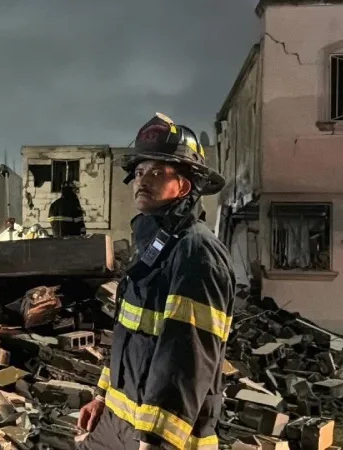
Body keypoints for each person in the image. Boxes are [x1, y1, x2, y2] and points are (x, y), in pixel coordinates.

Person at [77, 113, 235, 450]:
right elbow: (128, 335)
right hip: (119, 423)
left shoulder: (196, 253)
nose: (142, 181)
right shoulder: (153, 244)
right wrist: (101, 396)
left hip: (160, 436)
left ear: (185, 186)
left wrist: (156, 440)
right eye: (138, 172)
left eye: (157, 172)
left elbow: (186, 357)